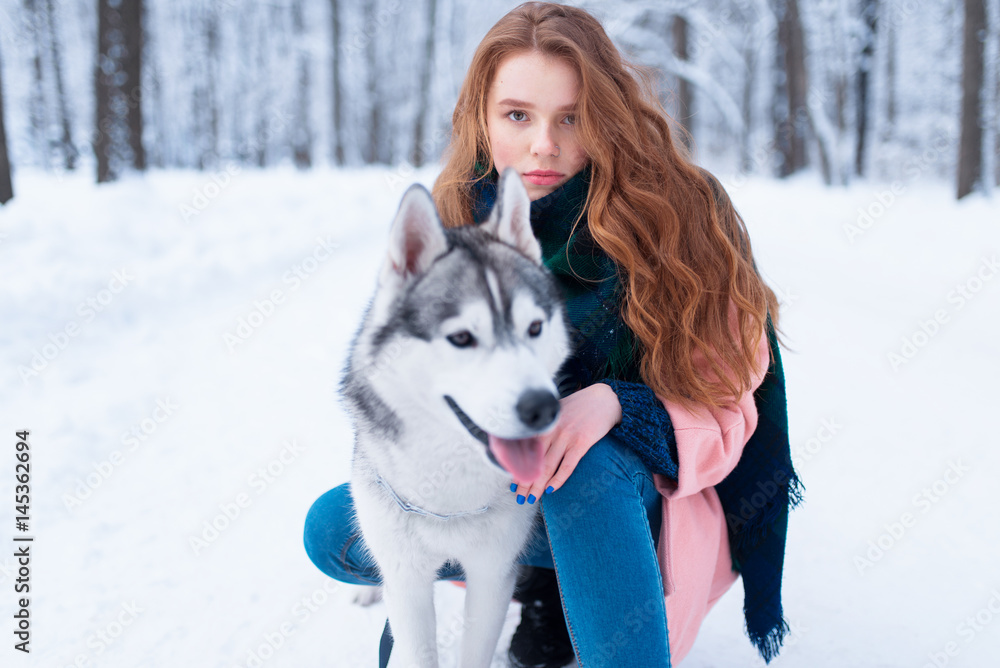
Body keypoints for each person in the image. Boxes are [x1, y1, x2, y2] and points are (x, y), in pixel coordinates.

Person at [304, 3, 803, 667]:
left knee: (581, 466)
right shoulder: (462, 212)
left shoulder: (683, 212)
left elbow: (730, 410)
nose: (545, 143)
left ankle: (591, 608)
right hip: (510, 493)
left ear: (608, 114)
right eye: (518, 115)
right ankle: (544, 586)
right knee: (336, 527)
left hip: (634, 503)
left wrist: (622, 405)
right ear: (481, 117)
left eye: (572, 117)